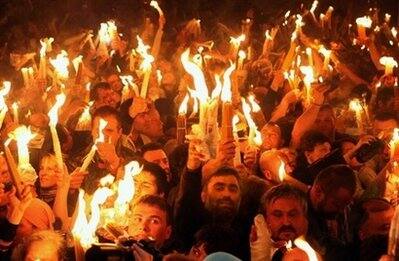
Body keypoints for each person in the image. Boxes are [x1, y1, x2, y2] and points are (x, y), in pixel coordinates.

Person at [68, 106, 134, 194]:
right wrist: (70, 188)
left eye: (109, 131)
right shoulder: (77, 161)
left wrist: (116, 165)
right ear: (92, 132)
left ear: (119, 133)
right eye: (98, 131)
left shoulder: (132, 159)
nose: (103, 136)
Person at [307, 164, 357, 260]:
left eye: (346, 205)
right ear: (318, 192)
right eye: (336, 205)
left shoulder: (340, 210)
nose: (341, 211)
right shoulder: (300, 216)